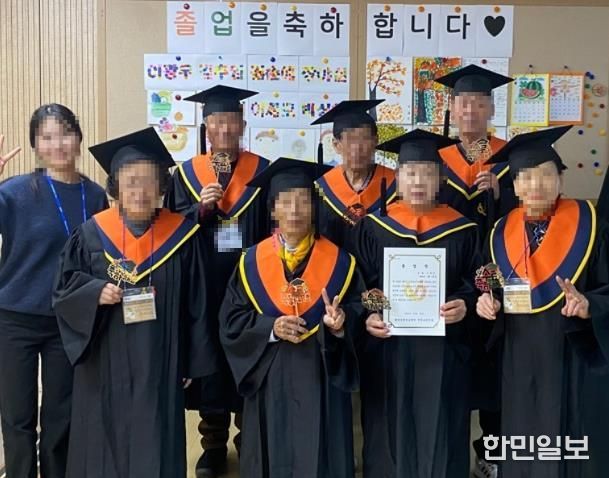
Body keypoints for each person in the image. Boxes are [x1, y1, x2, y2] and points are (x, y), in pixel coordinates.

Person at [53, 127, 217, 478]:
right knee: (102, 436)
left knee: (156, 436)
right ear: (115, 189)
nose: (139, 192)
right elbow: (64, 290)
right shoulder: (91, 235)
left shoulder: (183, 236)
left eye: (148, 182)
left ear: (161, 188)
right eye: (130, 182)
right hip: (104, 361)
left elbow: (198, 305)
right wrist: (94, 292)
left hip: (162, 360)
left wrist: (190, 361)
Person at [219, 158, 366, 478]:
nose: (295, 210)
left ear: (314, 209)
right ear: (273, 210)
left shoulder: (340, 262)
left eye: (303, 201)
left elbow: (359, 311)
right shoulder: (251, 262)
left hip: (321, 376)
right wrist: (269, 328)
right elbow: (231, 321)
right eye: (286, 202)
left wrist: (341, 325)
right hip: (271, 378)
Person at [476, 126, 609, 477]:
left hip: (570, 353)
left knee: (569, 442)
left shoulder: (591, 225)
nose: (536, 185)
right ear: (516, 187)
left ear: (561, 181)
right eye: (526, 177)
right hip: (517, 355)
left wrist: (590, 306)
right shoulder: (499, 231)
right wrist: (485, 303)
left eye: (547, 175)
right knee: (521, 437)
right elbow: (487, 281)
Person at [351, 129, 479, 477]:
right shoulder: (373, 228)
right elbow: (356, 286)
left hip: (444, 351)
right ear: (398, 178)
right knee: (387, 426)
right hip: (388, 349)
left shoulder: (464, 229)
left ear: (441, 179)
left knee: (442, 426)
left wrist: (465, 304)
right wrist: (367, 314)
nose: (418, 181)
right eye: (410, 172)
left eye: (427, 173)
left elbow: (477, 283)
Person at [164, 85, 270, 477]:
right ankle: (212, 443)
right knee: (209, 356)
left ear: (242, 125)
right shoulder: (186, 174)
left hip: (251, 281)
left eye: (231, 121)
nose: (224, 128)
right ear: (206, 126)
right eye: (217, 121)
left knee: (248, 351)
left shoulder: (263, 171)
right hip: (204, 284)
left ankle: (248, 436)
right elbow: (171, 228)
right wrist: (200, 209)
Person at [0, 104, 108, 478]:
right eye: (46, 137)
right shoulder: (13, 192)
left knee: (61, 414)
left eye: (64, 134)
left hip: (68, 320)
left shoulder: (96, 196)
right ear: (35, 145)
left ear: (78, 138)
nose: (57, 144)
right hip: (15, 318)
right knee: (17, 415)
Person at [434, 65, 517, 477]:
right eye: (463, 102)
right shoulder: (436, 160)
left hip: (496, 280)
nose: (470, 110)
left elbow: (530, 216)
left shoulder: (509, 158)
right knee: (451, 369)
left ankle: (491, 453)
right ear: (452, 108)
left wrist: (503, 194)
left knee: (493, 371)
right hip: (449, 282)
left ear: (491, 108)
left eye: (479, 103)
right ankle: (446, 452)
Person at [312, 100, 396, 249]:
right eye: (350, 140)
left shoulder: (396, 185)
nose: (357, 148)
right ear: (336, 145)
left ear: (375, 141)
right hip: (336, 262)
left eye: (364, 139)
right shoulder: (322, 189)